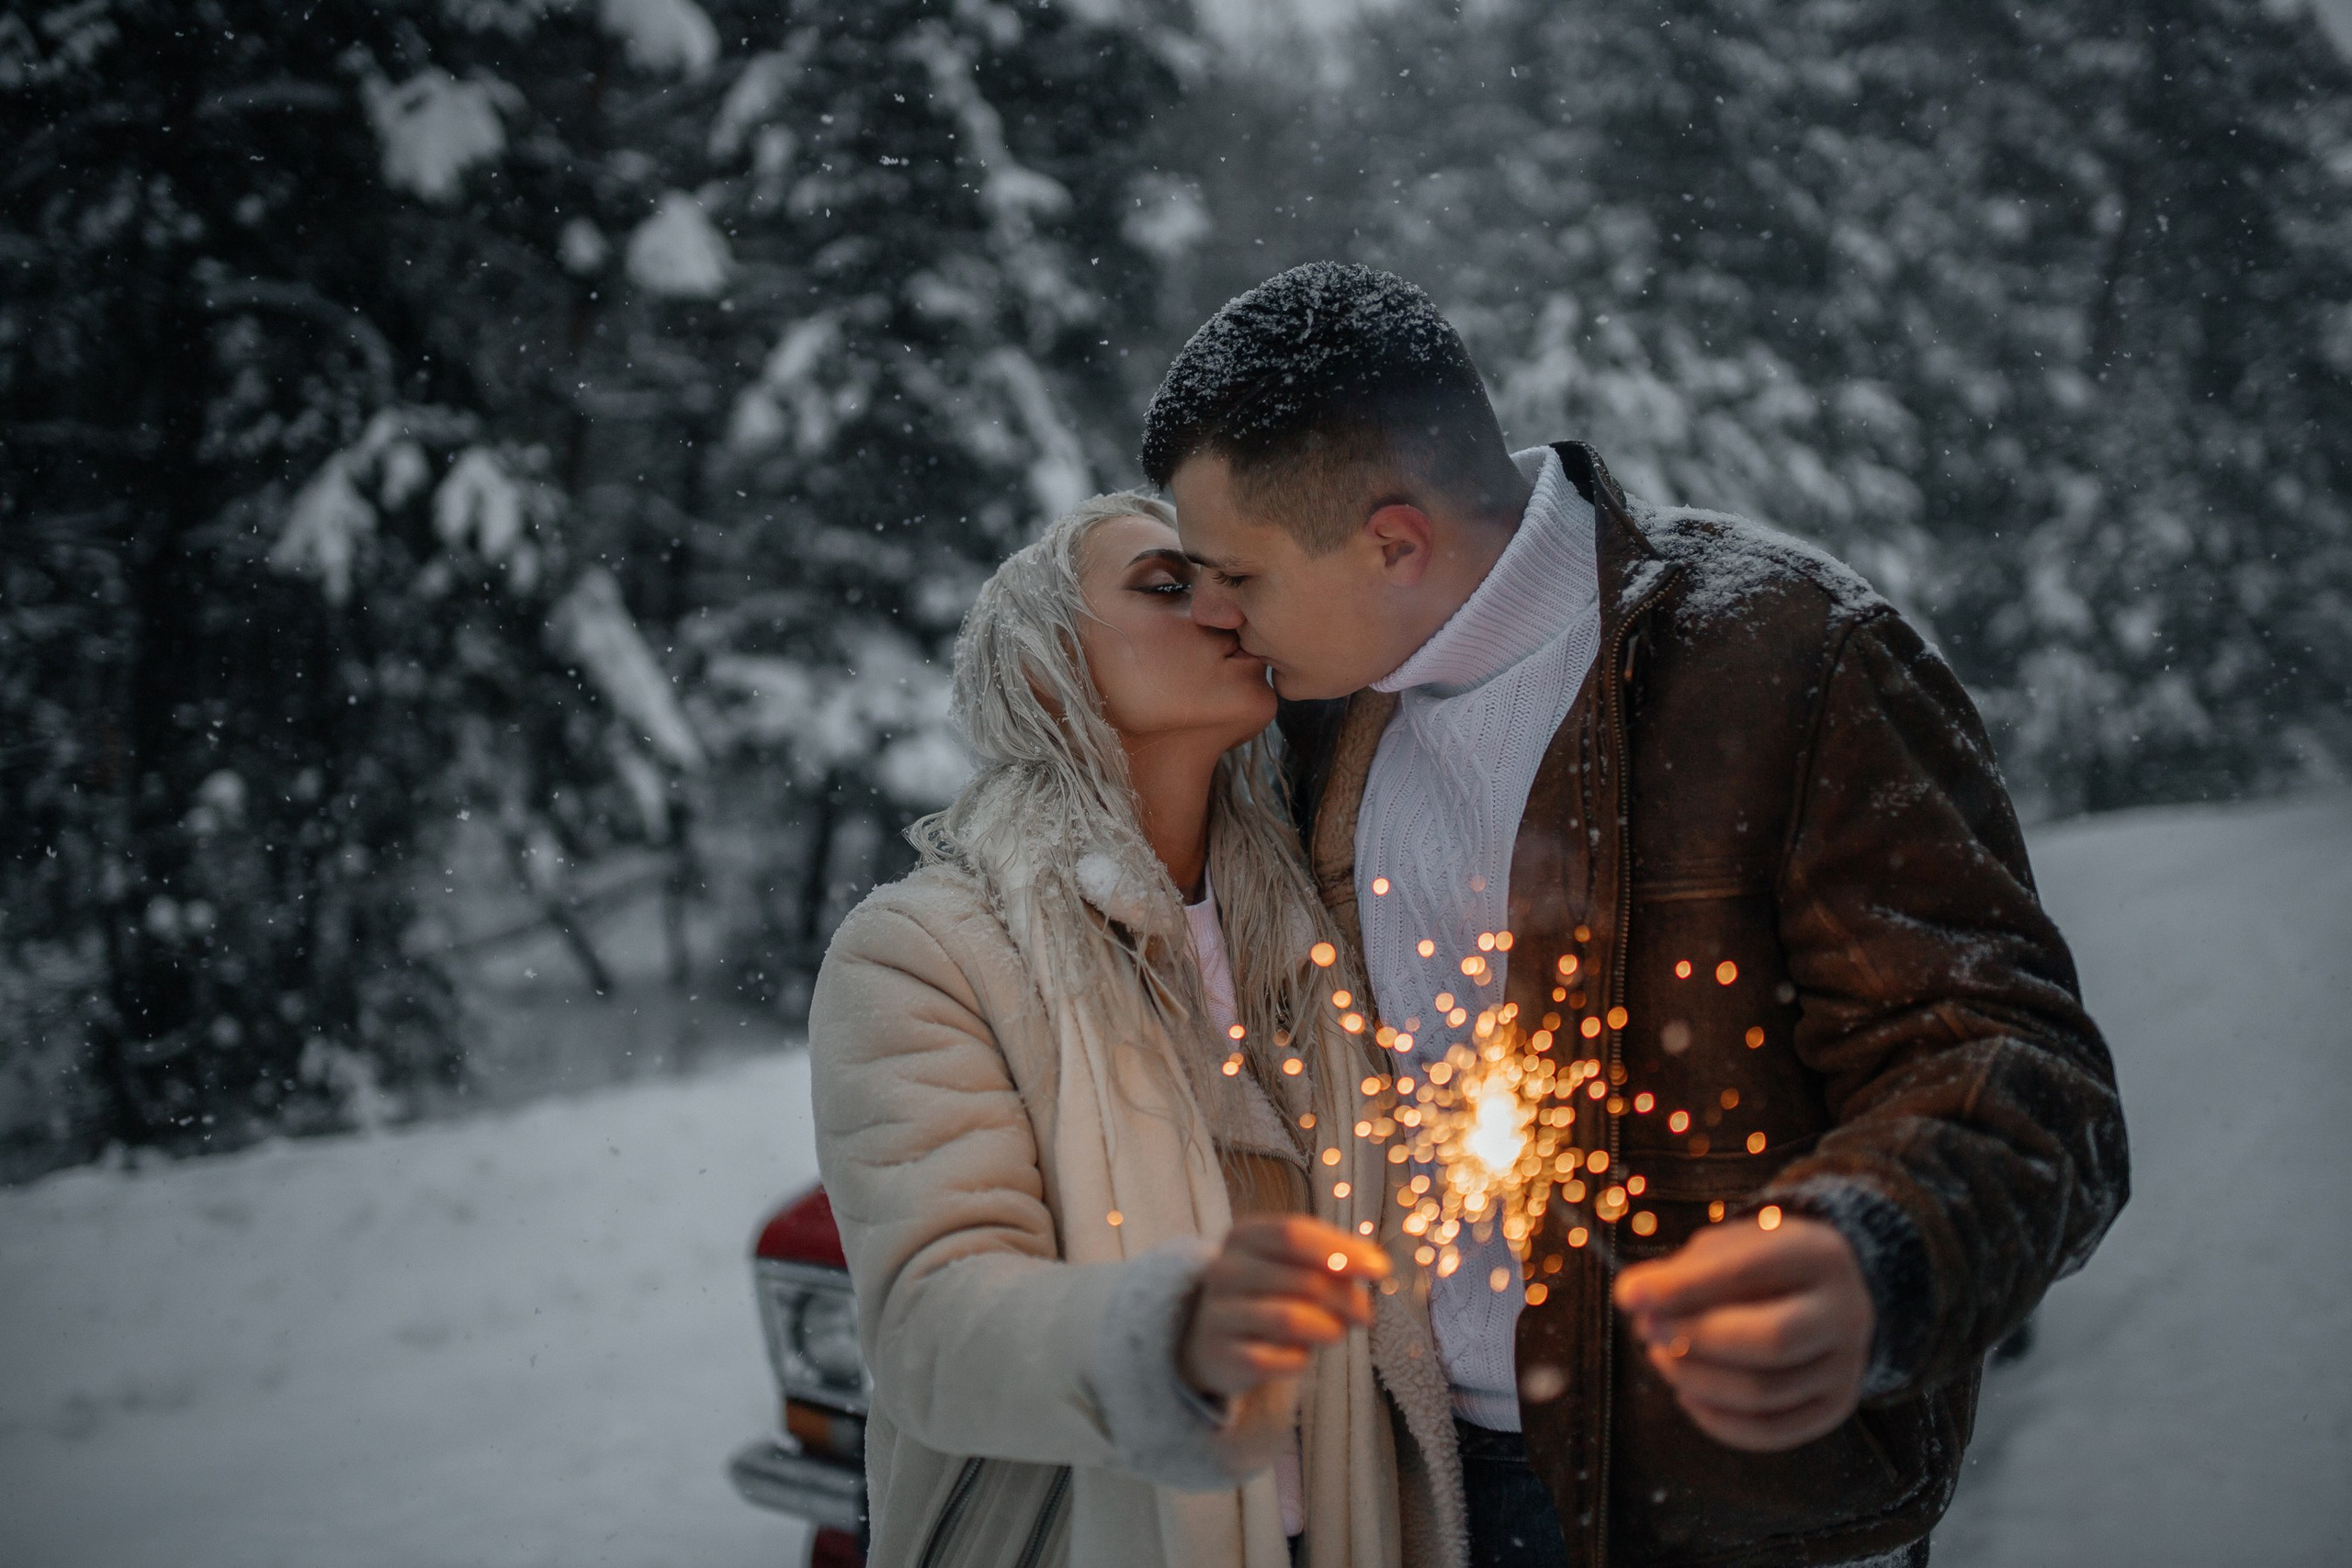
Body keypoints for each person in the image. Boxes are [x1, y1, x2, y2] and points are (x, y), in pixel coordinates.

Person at [1142, 263, 2131, 1568]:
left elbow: (2024, 1071)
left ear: (1393, 541)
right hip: (1407, 1482)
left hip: (1727, 1512)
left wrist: (1877, 1252)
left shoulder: (1789, 659)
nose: (1213, 611)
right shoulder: (1311, 712)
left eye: (1237, 574)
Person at [808, 493, 1466, 1568]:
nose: (1221, 609)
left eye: (1225, 579)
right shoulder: (924, 950)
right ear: (1040, 669)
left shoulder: (1314, 927)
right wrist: (1166, 1337)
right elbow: (929, 1329)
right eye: (1167, 586)